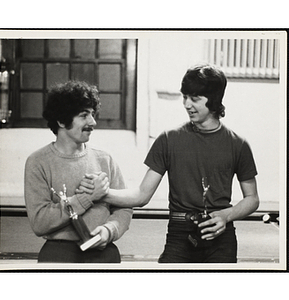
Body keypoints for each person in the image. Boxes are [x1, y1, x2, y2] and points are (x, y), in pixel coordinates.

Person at [78, 64, 259, 263]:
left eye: (195, 99)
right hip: (180, 235)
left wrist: (227, 215)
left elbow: (252, 198)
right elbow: (141, 195)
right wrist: (102, 192)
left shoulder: (238, 144)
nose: (187, 104)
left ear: (214, 99)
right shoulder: (168, 139)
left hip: (221, 238)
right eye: (185, 97)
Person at [24, 81, 132, 263]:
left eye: (92, 114)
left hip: (104, 254)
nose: (93, 122)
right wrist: (86, 197)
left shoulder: (105, 160)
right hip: (58, 255)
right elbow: (39, 222)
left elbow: (124, 209)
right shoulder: (38, 162)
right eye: (84, 116)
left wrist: (109, 230)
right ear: (61, 120)